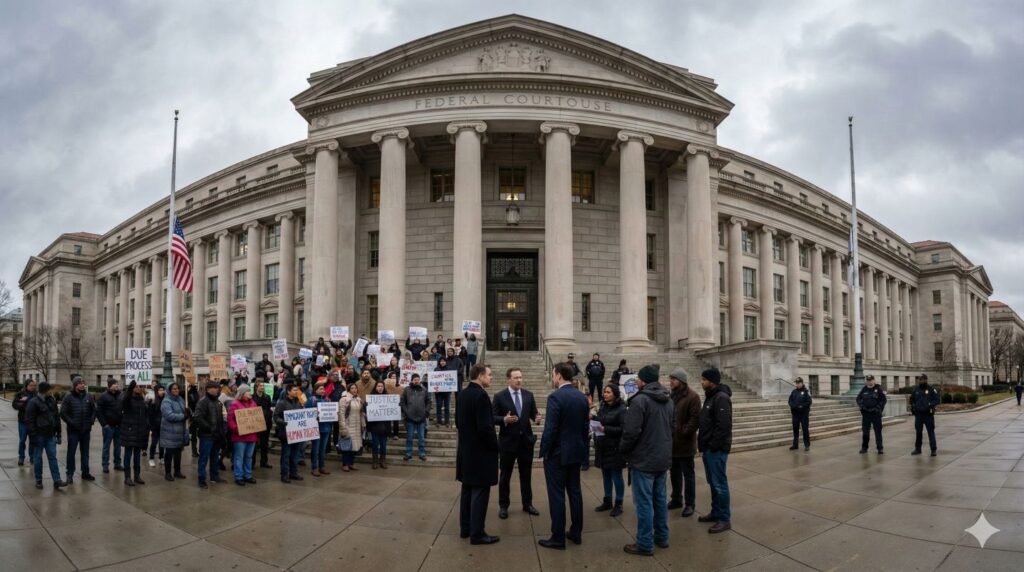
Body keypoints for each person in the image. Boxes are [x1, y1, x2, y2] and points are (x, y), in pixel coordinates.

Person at [618, 364, 673, 555]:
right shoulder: (668, 399)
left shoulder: (640, 401)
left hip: (644, 460)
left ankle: (644, 543)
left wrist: (623, 450)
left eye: (639, 378)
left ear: (643, 380)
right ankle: (662, 537)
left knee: (644, 504)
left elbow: (630, 432)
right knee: (659, 500)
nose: (637, 380)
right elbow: (671, 428)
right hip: (662, 458)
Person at [538, 362, 590, 550]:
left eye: (553, 374)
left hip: (558, 454)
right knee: (575, 493)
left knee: (557, 495)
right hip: (576, 451)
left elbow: (550, 429)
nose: (553, 377)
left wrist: (544, 450)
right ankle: (576, 533)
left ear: (559, 375)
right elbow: (585, 428)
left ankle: (557, 537)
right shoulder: (582, 397)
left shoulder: (556, 397)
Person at [456, 364, 501, 545]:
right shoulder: (481, 395)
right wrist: (496, 446)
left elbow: (459, 423)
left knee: (467, 490)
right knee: (480, 493)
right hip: (481, 453)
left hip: (466, 451)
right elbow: (485, 428)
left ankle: (465, 529)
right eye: (489, 375)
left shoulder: (463, 394)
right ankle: (477, 533)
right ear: (481, 376)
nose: (491, 378)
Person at [492, 367, 541, 519]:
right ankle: (503, 506)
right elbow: (492, 417)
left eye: (520, 377)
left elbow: (534, 415)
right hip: (507, 443)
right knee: (505, 476)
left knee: (526, 475)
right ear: (509, 379)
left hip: (526, 442)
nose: (519, 380)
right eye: (516, 378)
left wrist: (537, 419)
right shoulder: (500, 396)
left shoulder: (528, 395)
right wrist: (504, 420)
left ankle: (527, 504)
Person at [697, 368, 733, 534]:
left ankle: (724, 519)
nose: (702, 382)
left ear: (712, 381)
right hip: (708, 448)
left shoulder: (721, 398)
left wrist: (713, 445)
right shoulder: (711, 397)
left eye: (704, 379)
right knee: (713, 483)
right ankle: (716, 512)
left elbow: (723, 426)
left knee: (720, 484)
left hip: (716, 450)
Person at [668, 369, 700, 517]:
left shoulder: (693, 397)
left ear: (681, 381)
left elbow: (694, 420)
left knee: (688, 475)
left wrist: (682, 432)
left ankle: (690, 504)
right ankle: (676, 499)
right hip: (672, 443)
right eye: (671, 379)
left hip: (685, 443)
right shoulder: (671, 396)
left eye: (673, 379)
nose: (671, 382)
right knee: (674, 474)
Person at [593, 384, 626, 517]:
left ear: (615, 394)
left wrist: (605, 429)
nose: (605, 394)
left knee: (616, 476)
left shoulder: (622, 409)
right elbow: (601, 421)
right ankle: (607, 500)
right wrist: (594, 421)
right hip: (603, 446)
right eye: (604, 392)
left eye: (608, 392)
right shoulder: (603, 406)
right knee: (606, 474)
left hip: (615, 448)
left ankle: (619, 503)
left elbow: (623, 429)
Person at [25, 381, 66, 490]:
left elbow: (56, 417)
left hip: (50, 435)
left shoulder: (51, 400)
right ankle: (39, 480)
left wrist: (59, 433)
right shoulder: (33, 402)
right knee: (38, 458)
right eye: (50, 390)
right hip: (39, 435)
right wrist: (33, 436)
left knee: (52, 457)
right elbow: (29, 421)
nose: (51, 391)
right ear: (45, 391)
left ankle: (57, 480)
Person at [59, 374, 96, 483]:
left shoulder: (88, 396)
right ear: (75, 385)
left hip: (86, 430)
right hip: (73, 431)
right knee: (71, 453)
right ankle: (69, 474)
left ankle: (85, 472)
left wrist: (91, 421)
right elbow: (63, 413)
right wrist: (72, 423)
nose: (82, 385)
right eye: (80, 383)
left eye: (83, 383)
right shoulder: (68, 397)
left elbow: (94, 410)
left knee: (85, 453)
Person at [193, 380, 226, 488]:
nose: (217, 389)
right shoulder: (203, 401)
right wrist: (209, 427)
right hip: (207, 435)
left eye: (218, 388)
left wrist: (221, 432)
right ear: (208, 389)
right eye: (215, 388)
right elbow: (197, 417)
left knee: (215, 457)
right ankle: (201, 479)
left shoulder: (217, 402)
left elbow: (219, 418)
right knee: (204, 458)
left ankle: (214, 476)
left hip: (216, 435)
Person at [227, 384, 260, 485]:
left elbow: (256, 417)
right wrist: (237, 429)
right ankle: (239, 476)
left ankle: (248, 475)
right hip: (239, 436)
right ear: (242, 393)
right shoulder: (235, 404)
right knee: (239, 457)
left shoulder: (253, 403)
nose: (250, 393)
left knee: (249, 457)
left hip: (251, 435)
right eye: (248, 391)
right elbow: (230, 419)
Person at [120, 381, 150, 486]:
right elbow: (124, 401)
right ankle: (127, 477)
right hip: (129, 431)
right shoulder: (128, 399)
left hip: (140, 431)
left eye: (139, 387)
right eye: (136, 387)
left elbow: (145, 416)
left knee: (137, 455)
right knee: (128, 454)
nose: (138, 388)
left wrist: (146, 426)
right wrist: (129, 388)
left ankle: (137, 476)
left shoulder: (142, 401)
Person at [274, 382, 304, 483]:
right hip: (286, 434)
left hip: (296, 434)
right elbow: (276, 416)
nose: (296, 392)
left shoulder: (299, 402)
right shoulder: (282, 403)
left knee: (295, 455)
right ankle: (284, 475)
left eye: (297, 390)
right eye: (294, 390)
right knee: (286, 455)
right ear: (288, 391)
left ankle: (294, 473)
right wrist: (283, 422)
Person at [159, 382, 189, 481]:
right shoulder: (166, 401)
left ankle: (177, 471)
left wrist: (188, 412)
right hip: (169, 432)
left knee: (178, 453)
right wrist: (183, 416)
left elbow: (184, 411)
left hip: (179, 432)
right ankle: (167, 473)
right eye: (174, 389)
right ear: (169, 390)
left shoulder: (180, 399)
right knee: (169, 454)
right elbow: (169, 416)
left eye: (177, 389)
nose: (176, 390)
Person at [401, 373, 430, 461]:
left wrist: (426, 411)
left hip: (421, 418)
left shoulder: (424, 389)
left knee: (421, 437)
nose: (416, 381)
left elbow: (429, 401)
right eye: (415, 379)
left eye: (418, 379)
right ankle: (408, 453)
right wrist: (407, 412)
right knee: (409, 437)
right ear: (412, 380)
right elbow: (402, 402)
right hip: (410, 418)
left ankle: (422, 453)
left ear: (420, 380)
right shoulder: (406, 390)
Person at [96, 379, 124, 473]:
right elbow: (99, 411)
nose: (117, 385)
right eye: (115, 384)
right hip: (108, 427)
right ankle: (105, 465)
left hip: (118, 426)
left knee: (118, 447)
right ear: (110, 385)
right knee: (106, 447)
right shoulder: (103, 396)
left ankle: (117, 464)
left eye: (117, 384)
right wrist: (104, 424)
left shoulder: (121, 395)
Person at [910, 374, 940, 457]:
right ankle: (918, 449)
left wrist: (929, 404)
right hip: (919, 415)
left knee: (930, 432)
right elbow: (912, 400)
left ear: (926, 380)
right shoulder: (916, 389)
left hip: (928, 415)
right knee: (918, 432)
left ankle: (933, 450)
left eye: (923, 379)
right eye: (920, 379)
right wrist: (913, 406)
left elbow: (937, 400)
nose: (921, 381)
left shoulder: (931, 389)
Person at [338, 381, 364, 472]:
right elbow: (341, 414)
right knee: (347, 446)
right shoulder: (344, 400)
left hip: (357, 426)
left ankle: (351, 463)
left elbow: (361, 414)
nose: (354, 390)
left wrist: (363, 424)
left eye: (355, 388)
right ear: (349, 389)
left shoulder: (358, 399)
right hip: (348, 425)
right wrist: (343, 427)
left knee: (355, 447)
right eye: (352, 388)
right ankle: (345, 464)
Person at [857, 374, 886, 454]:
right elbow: (858, 399)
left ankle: (880, 448)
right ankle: (864, 448)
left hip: (875, 414)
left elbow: (883, 400)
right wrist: (862, 406)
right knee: (865, 432)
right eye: (868, 380)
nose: (869, 382)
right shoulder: (864, 389)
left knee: (878, 432)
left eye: (871, 380)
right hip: (866, 414)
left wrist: (878, 408)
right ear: (866, 381)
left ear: (874, 380)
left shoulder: (878, 389)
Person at [308, 382, 332, 476]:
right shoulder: (311, 400)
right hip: (316, 428)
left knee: (323, 449)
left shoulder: (328, 400)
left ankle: (322, 467)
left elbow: (331, 412)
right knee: (315, 449)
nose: (323, 390)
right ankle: (314, 467)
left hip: (326, 427)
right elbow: (308, 413)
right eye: (320, 389)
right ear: (316, 390)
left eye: (323, 389)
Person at [12, 379, 37, 466]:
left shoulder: (36, 395)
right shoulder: (20, 394)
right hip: (23, 421)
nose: (33, 387)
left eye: (34, 385)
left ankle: (32, 457)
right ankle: (21, 457)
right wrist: (23, 402)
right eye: (31, 385)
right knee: (22, 440)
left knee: (33, 441)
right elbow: (14, 405)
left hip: (34, 422)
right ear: (26, 385)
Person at [367, 381, 391, 469]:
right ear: (375, 387)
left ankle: (383, 461)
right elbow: (366, 410)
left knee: (383, 445)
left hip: (385, 427)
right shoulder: (370, 398)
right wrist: (367, 405)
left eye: (382, 386)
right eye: (378, 386)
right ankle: (375, 461)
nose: (380, 388)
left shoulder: (388, 398)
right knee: (375, 445)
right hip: (374, 427)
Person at [253, 380, 274, 469]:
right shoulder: (252, 397)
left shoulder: (267, 397)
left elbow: (269, 408)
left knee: (264, 444)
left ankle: (264, 461)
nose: (262, 387)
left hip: (266, 423)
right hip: (255, 423)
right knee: (254, 444)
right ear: (256, 387)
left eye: (263, 386)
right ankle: (252, 463)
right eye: (260, 386)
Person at [788, 377, 812, 451]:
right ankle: (795, 445)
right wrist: (792, 405)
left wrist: (802, 406)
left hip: (803, 415)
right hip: (795, 414)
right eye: (796, 383)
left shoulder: (806, 391)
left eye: (799, 383)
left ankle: (807, 445)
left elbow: (809, 401)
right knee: (795, 430)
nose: (797, 384)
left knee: (805, 429)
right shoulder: (794, 391)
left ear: (802, 383)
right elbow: (790, 400)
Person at [147, 385, 166, 467]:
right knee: (154, 443)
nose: (162, 391)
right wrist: (150, 428)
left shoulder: (165, 400)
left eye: (163, 390)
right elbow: (150, 415)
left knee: (162, 443)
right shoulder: (153, 401)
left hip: (163, 425)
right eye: (160, 390)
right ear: (156, 391)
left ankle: (161, 458)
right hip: (155, 426)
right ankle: (151, 458)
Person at [434, 357, 453, 426]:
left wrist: (451, 387)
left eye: (444, 361)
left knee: (447, 407)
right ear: (439, 362)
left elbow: (451, 380)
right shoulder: (436, 369)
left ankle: (447, 421)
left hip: (447, 392)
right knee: (438, 406)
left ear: (446, 362)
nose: (442, 362)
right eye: (441, 361)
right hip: (438, 392)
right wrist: (434, 389)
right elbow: (434, 380)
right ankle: (439, 421)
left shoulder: (449, 369)